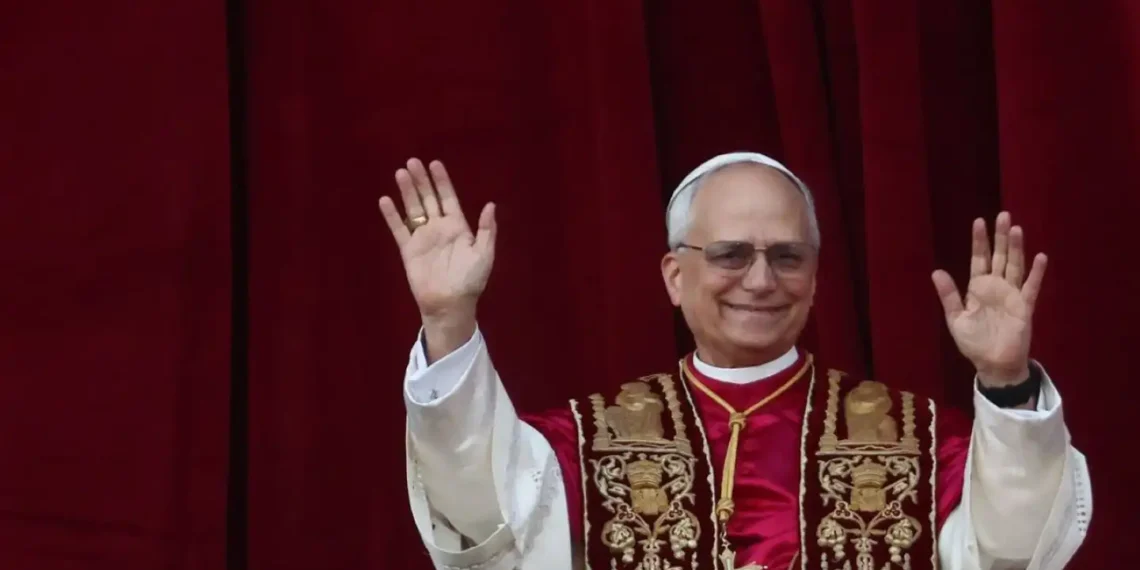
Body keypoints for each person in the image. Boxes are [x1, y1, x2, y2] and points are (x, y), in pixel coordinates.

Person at [378, 152, 1091, 570]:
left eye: (787, 257)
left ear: (814, 279)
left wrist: (1005, 381)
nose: (760, 280)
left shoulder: (918, 443)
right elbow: (479, 513)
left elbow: (1017, 550)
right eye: (729, 255)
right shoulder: (585, 445)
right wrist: (449, 321)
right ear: (673, 276)